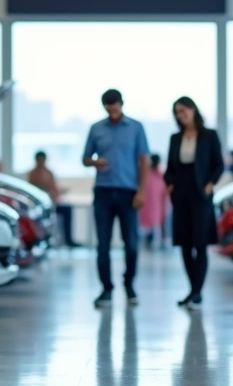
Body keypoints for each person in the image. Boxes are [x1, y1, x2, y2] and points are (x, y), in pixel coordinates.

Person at [83, 89, 150, 308]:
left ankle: (129, 284)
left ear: (121, 104)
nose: (112, 110)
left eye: (114, 106)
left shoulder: (136, 128)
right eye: (108, 107)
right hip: (103, 191)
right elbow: (85, 158)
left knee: (131, 243)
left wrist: (141, 190)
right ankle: (106, 289)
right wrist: (95, 162)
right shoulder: (96, 129)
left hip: (128, 192)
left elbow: (144, 160)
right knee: (103, 245)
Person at [164, 97, 224, 309]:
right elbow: (170, 167)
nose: (180, 116)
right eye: (177, 113)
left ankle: (197, 292)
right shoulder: (175, 138)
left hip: (201, 194)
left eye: (183, 111)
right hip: (180, 193)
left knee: (200, 243)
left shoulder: (209, 135)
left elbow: (219, 165)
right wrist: (169, 183)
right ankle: (192, 290)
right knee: (184, 244)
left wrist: (209, 185)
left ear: (192, 110)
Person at [28, 151, 77, 247]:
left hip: (52, 203)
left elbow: (54, 189)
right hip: (40, 206)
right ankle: (42, 240)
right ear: (37, 160)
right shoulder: (33, 174)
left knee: (67, 209)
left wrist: (59, 192)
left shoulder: (49, 173)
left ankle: (68, 239)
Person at [139, 154, 168, 249]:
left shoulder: (152, 175)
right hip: (151, 209)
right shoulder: (155, 176)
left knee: (150, 230)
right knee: (150, 229)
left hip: (152, 209)